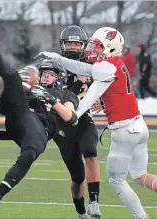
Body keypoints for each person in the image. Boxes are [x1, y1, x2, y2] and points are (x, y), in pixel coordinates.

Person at [38, 27, 157, 219]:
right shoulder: (115, 63)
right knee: (140, 175)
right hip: (140, 126)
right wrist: (56, 57)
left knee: (117, 181)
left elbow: (88, 96)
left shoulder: (105, 69)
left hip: (124, 130)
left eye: (98, 46)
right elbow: (83, 69)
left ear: (110, 47)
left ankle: (142, 218)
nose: (93, 49)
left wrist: (76, 113)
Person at [0, 7, 79, 218]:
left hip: (42, 126)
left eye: (51, 75)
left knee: (30, 153)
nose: (46, 78)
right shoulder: (34, 86)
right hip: (19, 115)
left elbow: (71, 118)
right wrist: (26, 87)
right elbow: (7, 106)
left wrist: (51, 100)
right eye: (44, 74)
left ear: (59, 78)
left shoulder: (65, 94)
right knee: (13, 78)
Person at [58, 25, 102, 218]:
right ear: (63, 46)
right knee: (77, 177)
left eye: (77, 44)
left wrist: (102, 100)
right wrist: (77, 83)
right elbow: (60, 97)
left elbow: (107, 85)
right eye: (70, 44)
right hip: (64, 123)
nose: (74, 48)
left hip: (84, 119)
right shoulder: (56, 66)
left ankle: (94, 203)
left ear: (84, 46)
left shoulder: (92, 65)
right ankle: (81, 212)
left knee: (91, 153)